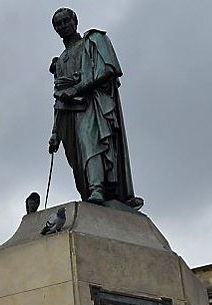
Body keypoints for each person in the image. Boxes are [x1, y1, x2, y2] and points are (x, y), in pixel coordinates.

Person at [47, 7, 141, 208]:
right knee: (78, 159)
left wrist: (77, 89)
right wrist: (55, 132)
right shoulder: (61, 60)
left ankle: (98, 188)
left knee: (91, 144)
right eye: (58, 24)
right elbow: (59, 98)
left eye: (65, 21)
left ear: (75, 21)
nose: (62, 26)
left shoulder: (93, 41)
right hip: (69, 113)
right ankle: (90, 190)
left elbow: (108, 69)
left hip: (92, 105)